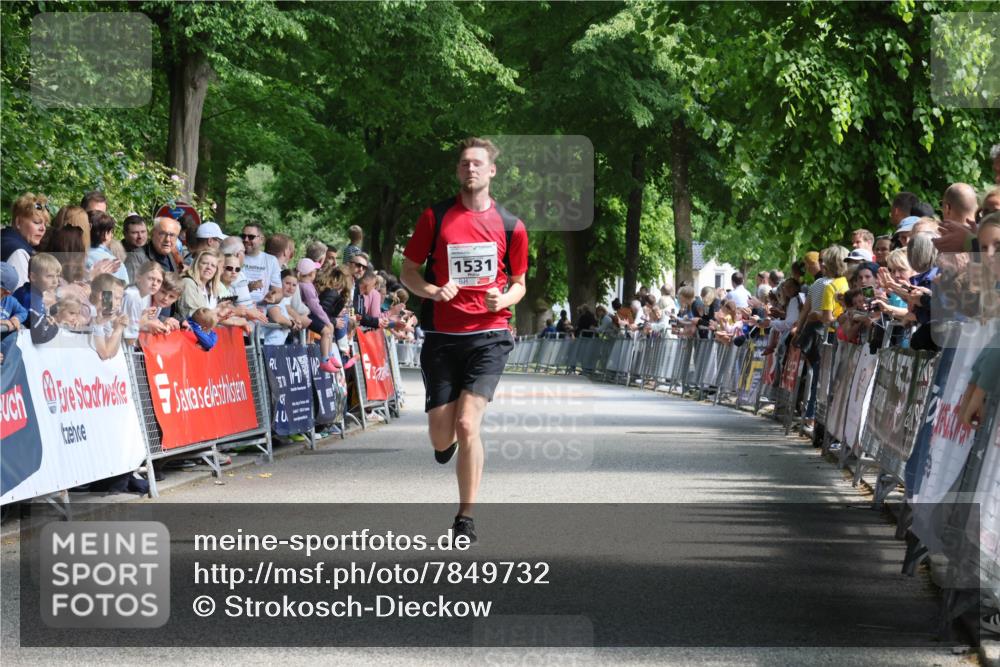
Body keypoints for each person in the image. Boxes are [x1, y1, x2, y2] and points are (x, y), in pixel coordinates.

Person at [400, 136, 528, 543]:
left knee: (468, 424)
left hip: (489, 335)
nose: (470, 168)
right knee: (442, 434)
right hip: (441, 336)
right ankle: (445, 443)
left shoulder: (512, 225)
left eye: (477, 163)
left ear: (491, 171)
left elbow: (521, 283)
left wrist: (502, 297)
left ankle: (466, 517)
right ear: (458, 171)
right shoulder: (435, 218)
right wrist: (432, 291)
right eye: (463, 163)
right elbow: (408, 271)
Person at [296, 257, 339, 372]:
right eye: (315, 272)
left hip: (308, 313)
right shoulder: (305, 287)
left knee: (330, 327)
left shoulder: (306, 284)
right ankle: (325, 360)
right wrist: (326, 320)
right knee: (326, 330)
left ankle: (330, 356)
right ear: (311, 273)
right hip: (307, 314)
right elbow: (315, 306)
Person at [2, 193, 50, 290]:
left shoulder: (5, 239)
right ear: (18, 222)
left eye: (45, 224)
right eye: (37, 222)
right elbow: (22, 298)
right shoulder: (18, 252)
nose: (43, 229)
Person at [10, 253, 60, 345]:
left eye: (57, 276)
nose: (55, 281)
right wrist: (54, 327)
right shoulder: (32, 298)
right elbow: (39, 335)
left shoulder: (30, 291)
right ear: (33, 277)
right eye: (49, 276)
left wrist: (46, 320)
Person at [123, 261, 168, 342]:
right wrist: (146, 323)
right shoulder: (132, 295)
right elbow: (129, 337)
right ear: (138, 277)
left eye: (159, 281)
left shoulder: (147, 295)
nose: (155, 284)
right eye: (151, 278)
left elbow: (136, 324)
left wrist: (154, 326)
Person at [240, 223, 282, 304]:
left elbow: (279, 292)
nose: (246, 239)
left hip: (260, 311)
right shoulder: (235, 257)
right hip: (238, 310)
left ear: (261, 240)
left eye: (251, 237)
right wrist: (247, 288)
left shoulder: (271, 260)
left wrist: (273, 297)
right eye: (243, 236)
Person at [176, 249, 223, 320]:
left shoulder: (207, 287)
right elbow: (190, 315)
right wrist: (216, 312)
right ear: (196, 265)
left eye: (213, 266)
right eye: (204, 263)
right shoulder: (188, 283)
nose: (208, 267)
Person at [86, 210, 129, 282]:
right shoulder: (117, 265)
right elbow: (126, 291)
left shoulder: (74, 257)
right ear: (105, 234)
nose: (112, 235)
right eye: (111, 232)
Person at [0, 262, 28, 337]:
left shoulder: (11, 301)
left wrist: (16, 318)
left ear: (6, 293)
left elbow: (23, 312)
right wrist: (1, 322)